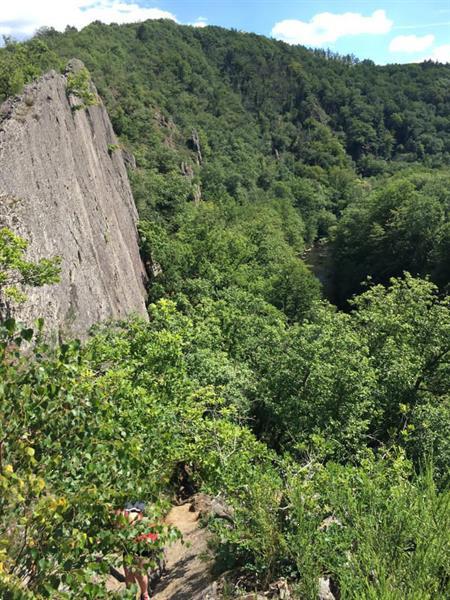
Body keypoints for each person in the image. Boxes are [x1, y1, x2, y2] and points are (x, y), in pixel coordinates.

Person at [116, 501, 159, 600]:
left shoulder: (141, 504)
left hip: (141, 541)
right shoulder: (126, 503)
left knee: (138, 571)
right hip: (133, 542)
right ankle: (137, 595)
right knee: (129, 571)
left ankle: (144, 595)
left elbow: (142, 520)